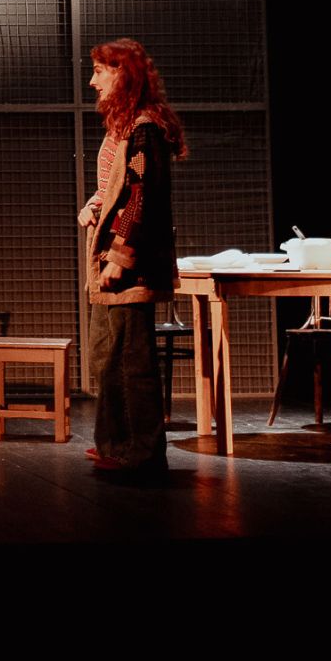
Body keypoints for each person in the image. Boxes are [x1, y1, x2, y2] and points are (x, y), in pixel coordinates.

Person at [78, 38, 187, 479]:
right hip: (111, 254)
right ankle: (115, 442)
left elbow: (143, 197)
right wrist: (94, 204)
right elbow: (118, 186)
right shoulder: (123, 126)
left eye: (99, 71)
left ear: (122, 73)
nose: (93, 82)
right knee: (108, 354)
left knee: (131, 359)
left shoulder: (144, 128)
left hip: (130, 262)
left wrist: (120, 257)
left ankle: (141, 452)